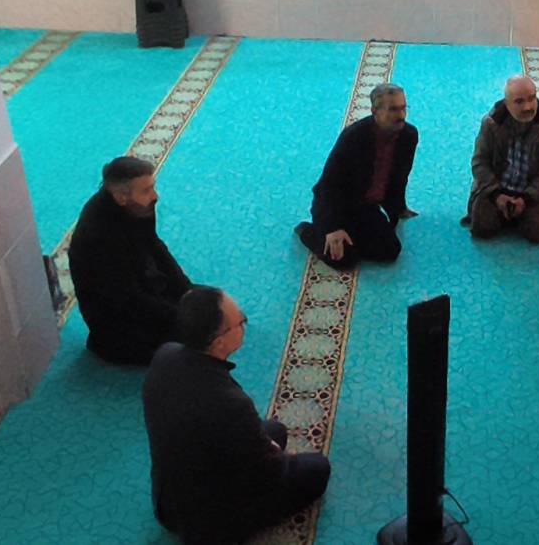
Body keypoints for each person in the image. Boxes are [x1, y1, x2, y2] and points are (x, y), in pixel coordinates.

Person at [143, 287, 331, 544]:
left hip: (168, 500)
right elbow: (267, 472)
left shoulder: (165, 355)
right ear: (219, 341)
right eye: (241, 322)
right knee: (317, 468)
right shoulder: (231, 405)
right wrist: (276, 454)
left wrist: (264, 444)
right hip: (207, 523)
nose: (244, 325)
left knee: (275, 430)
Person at [68, 156, 191, 365]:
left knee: (210, 305)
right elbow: (127, 297)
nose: (155, 196)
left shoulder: (140, 206)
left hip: (141, 281)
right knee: (192, 342)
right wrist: (180, 315)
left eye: (153, 187)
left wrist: (186, 289)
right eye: (146, 190)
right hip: (116, 315)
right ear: (121, 197)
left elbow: (154, 244)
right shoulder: (98, 236)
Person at [295, 83, 418, 269]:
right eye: (393, 109)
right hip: (339, 205)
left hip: (365, 207)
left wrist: (399, 207)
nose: (401, 115)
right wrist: (332, 227)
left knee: (389, 251)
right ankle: (307, 231)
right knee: (343, 260)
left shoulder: (408, 135)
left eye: (403, 108)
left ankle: (349, 239)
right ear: (375, 111)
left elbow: (400, 175)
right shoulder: (353, 137)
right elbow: (328, 186)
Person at [461, 75, 539, 243]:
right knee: (482, 228)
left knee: (538, 233)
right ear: (507, 104)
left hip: (530, 192)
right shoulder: (491, 123)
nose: (528, 107)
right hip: (497, 189)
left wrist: (527, 198)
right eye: (519, 102)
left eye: (532, 99)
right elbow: (479, 163)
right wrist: (496, 195)